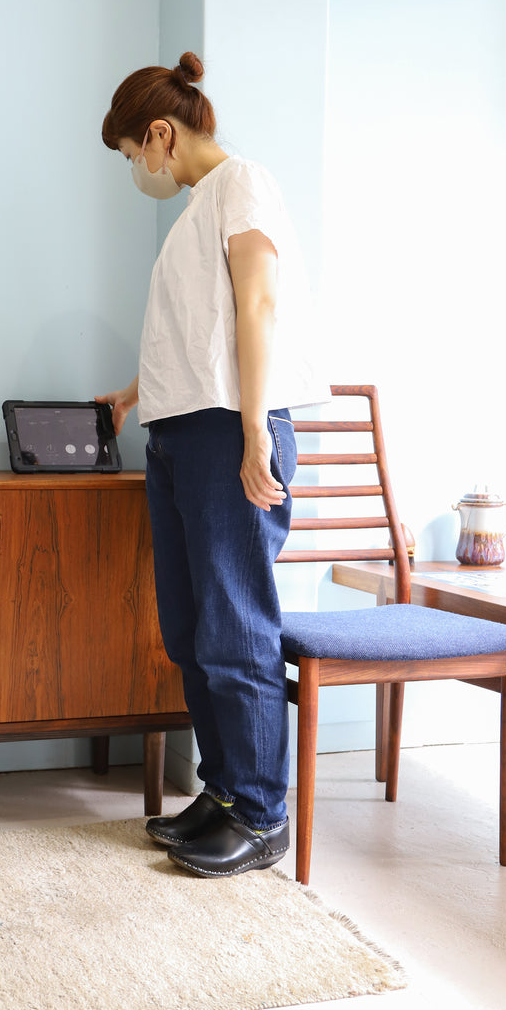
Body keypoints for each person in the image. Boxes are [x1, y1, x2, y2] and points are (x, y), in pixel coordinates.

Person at [96, 52, 327, 878]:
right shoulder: (197, 210)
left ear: (162, 134)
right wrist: (136, 393)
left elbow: (258, 303)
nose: (138, 170)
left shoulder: (242, 184)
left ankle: (261, 815)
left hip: (228, 433)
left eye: (134, 154)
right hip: (180, 435)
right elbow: (202, 333)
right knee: (191, 629)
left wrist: (257, 431)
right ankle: (225, 791)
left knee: (234, 625)